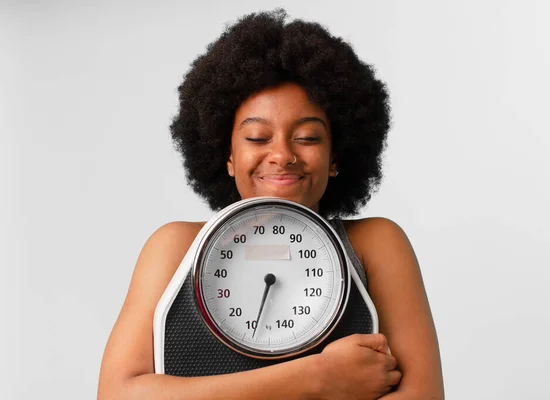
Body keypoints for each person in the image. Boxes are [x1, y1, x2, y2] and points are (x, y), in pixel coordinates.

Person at [98, 9, 444, 400]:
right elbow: (118, 393)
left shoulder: (376, 243)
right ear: (226, 155)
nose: (282, 155)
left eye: (308, 138)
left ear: (336, 157)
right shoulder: (175, 247)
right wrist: (319, 377)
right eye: (258, 138)